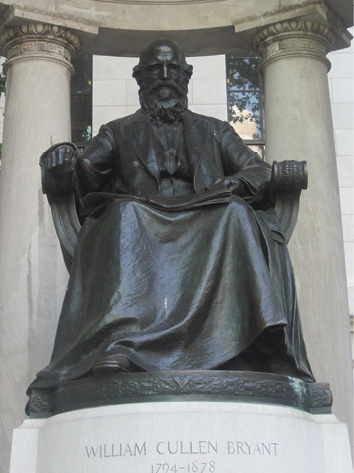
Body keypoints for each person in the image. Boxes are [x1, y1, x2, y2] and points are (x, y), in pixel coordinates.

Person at [27, 39, 314, 410]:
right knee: (126, 217)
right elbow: (85, 174)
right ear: (139, 77)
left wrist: (233, 184)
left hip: (207, 217)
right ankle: (120, 343)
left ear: (186, 76)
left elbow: (256, 169)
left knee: (235, 214)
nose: (164, 77)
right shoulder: (117, 131)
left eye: (173, 69)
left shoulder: (215, 130)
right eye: (154, 70)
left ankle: (260, 340)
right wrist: (61, 158)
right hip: (142, 217)